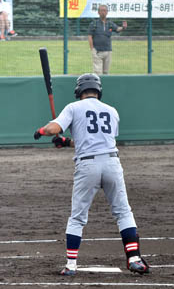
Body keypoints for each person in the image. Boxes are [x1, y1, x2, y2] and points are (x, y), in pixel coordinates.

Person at [33, 73, 149, 276]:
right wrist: (67, 142)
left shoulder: (73, 107)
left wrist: (42, 130)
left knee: (77, 217)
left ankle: (70, 265)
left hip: (87, 167)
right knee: (123, 212)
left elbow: (54, 128)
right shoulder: (112, 111)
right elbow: (98, 140)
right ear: (98, 90)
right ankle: (134, 259)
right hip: (112, 163)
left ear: (79, 91)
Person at [87, 5, 126, 75]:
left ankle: (104, 85)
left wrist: (123, 27)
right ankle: (97, 85)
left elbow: (117, 29)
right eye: (101, 10)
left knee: (106, 72)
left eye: (105, 10)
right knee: (97, 72)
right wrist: (92, 49)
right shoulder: (93, 24)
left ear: (107, 12)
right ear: (98, 12)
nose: (103, 12)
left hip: (108, 52)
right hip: (97, 52)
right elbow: (90, 37)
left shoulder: (110, 24)